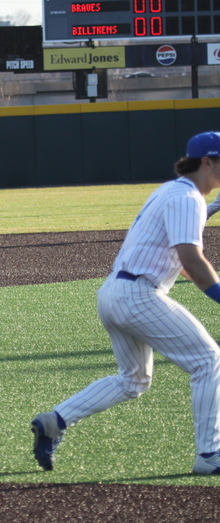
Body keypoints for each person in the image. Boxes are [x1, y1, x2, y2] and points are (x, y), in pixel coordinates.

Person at [31, 131, 220, 475]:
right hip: (139, 295)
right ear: (207, 162)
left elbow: (175, 243)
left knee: (133, 381)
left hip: (114, 294)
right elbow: (191, 260)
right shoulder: (186, 198)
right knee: (208, 360)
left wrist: (209, 209)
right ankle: (210, 455)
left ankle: (55, 420)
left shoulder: (172, 190)